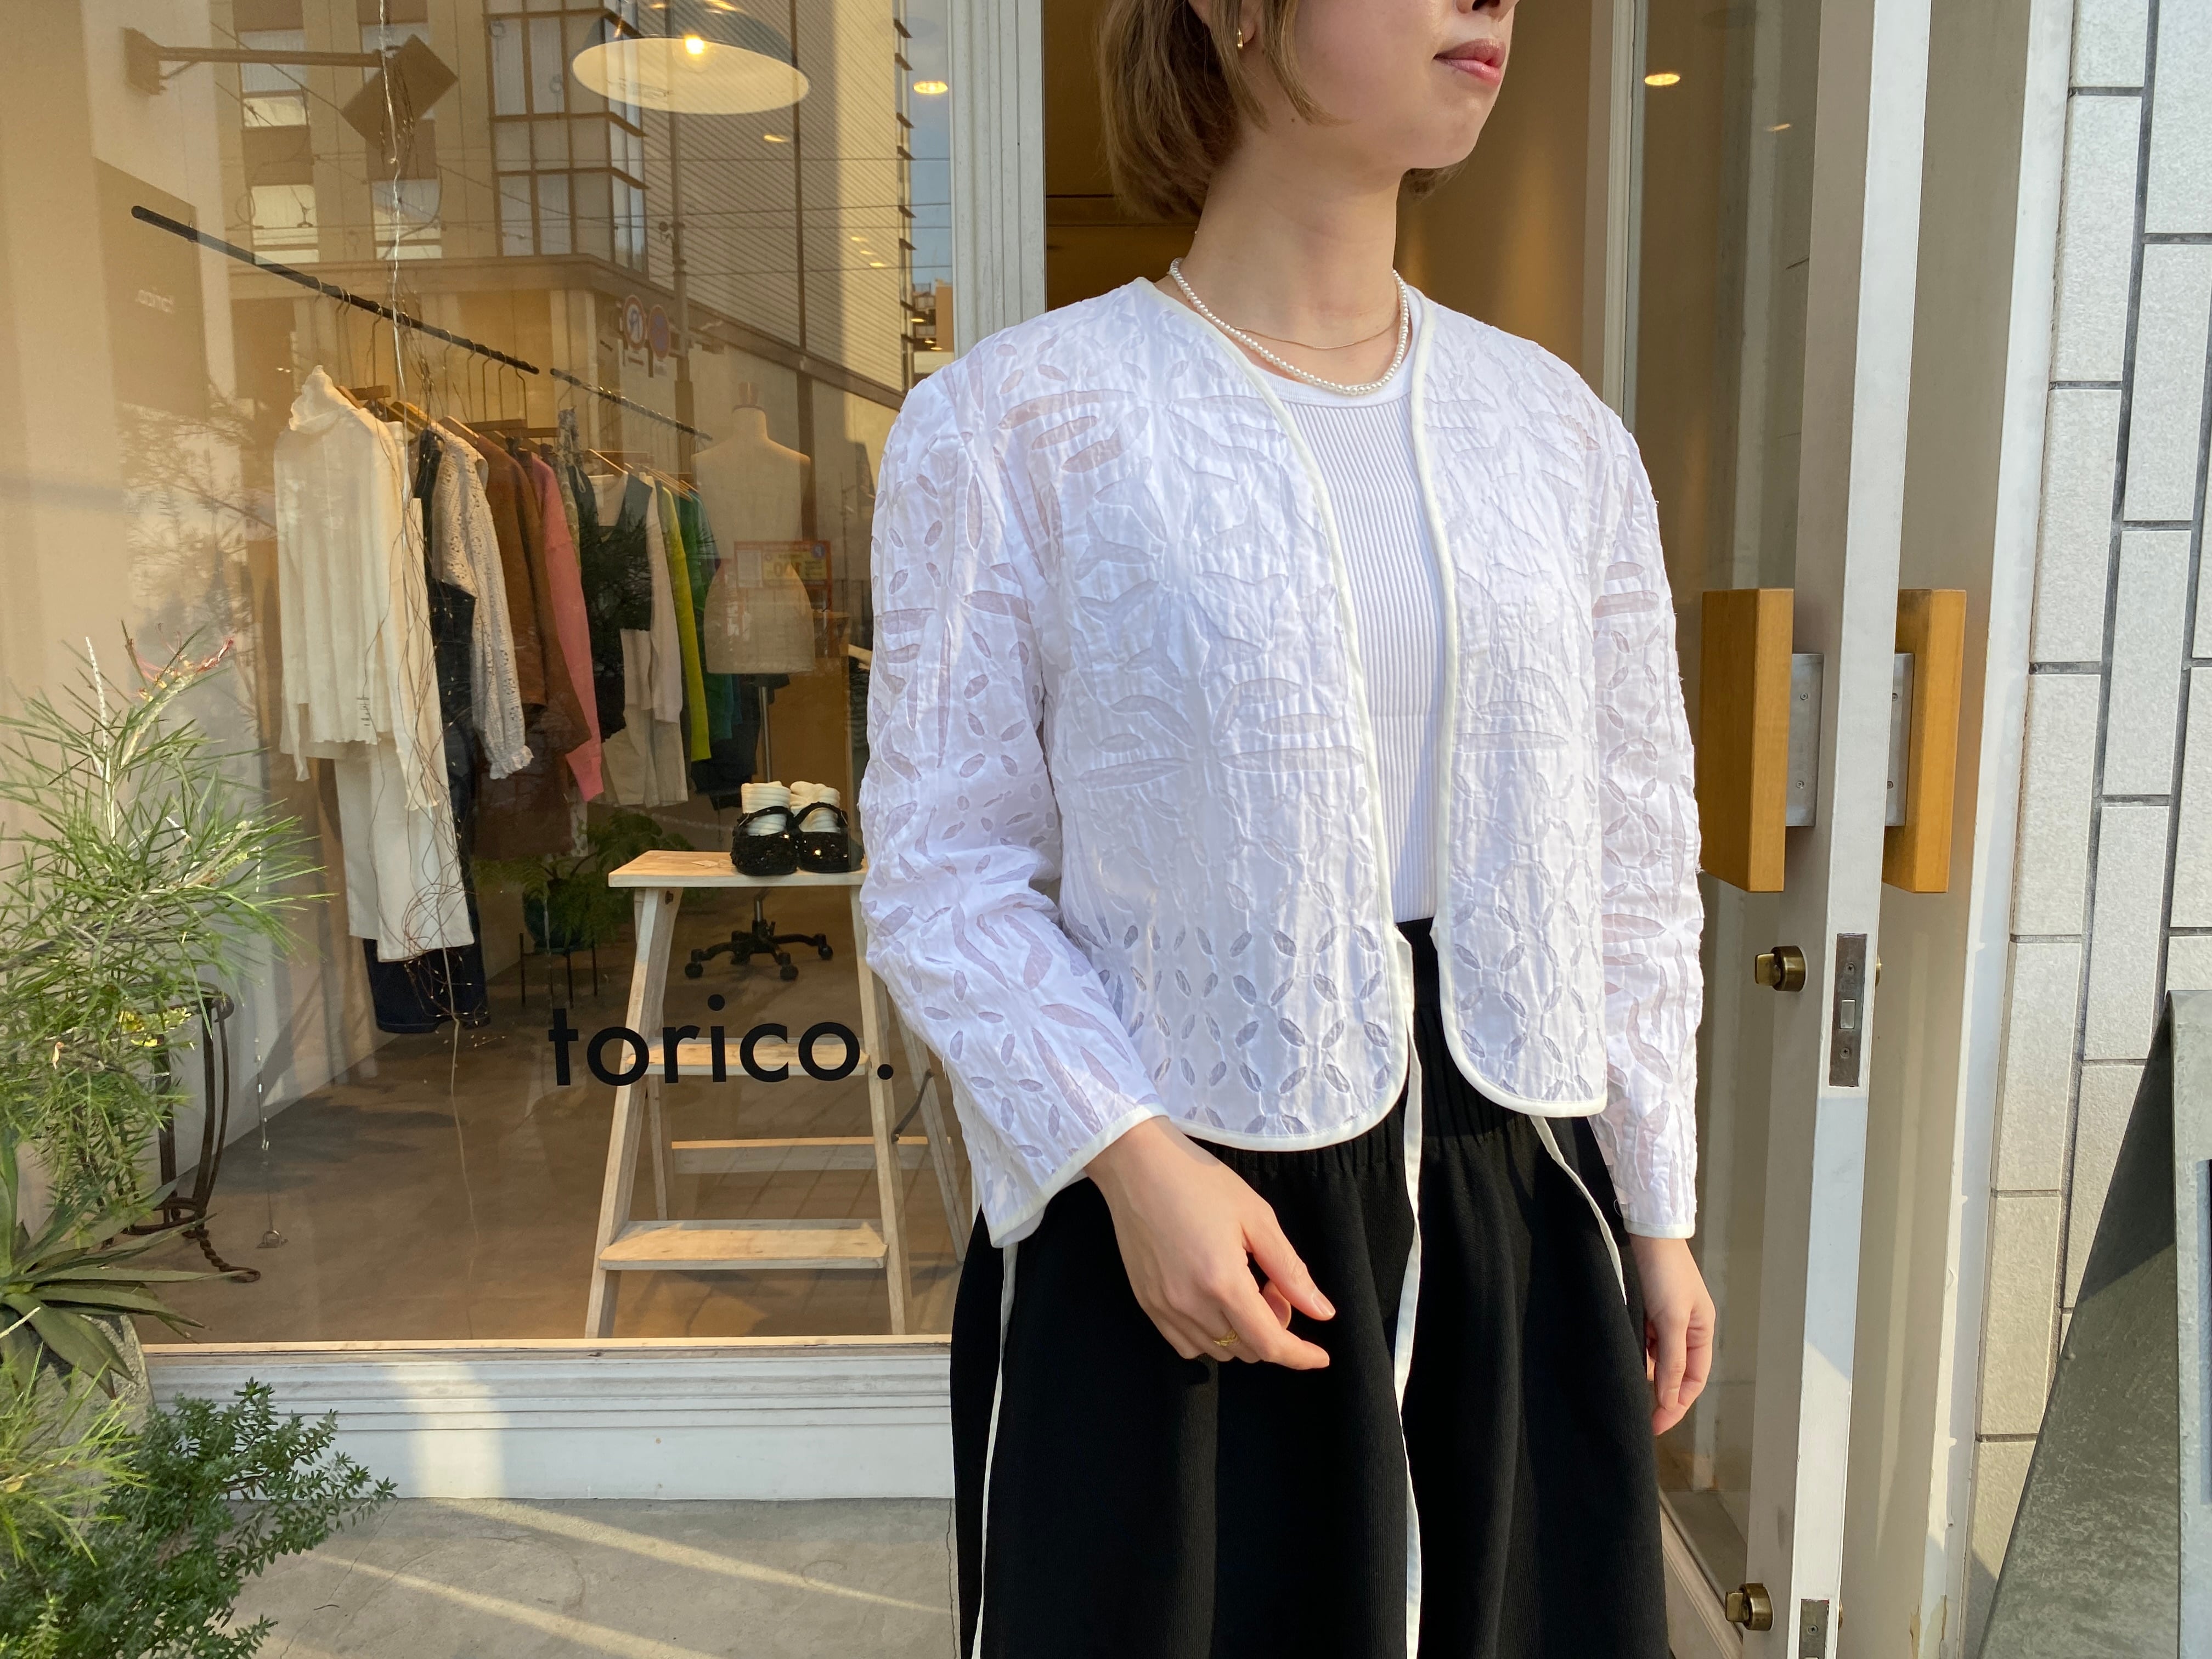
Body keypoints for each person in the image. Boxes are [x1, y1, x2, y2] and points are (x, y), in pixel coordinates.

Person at [858, 1, 1715, 1652]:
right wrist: (1128, 1159)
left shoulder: (1557, 436)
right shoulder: (1019, 421)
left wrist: (1655, 1208)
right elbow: (944, 868)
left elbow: (1630, 853)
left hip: (1516, 1193)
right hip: (1178, 1204)